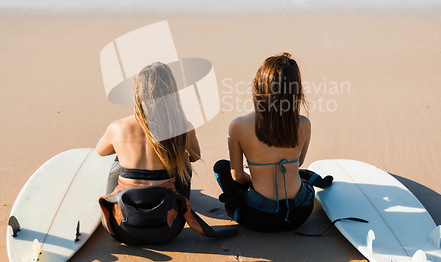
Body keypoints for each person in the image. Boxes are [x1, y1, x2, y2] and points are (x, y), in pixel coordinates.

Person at [97, 61, 237, 244]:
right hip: (168, 228)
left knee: (117, 157)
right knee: (184, 160)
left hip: (122, 228)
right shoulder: (182, 127)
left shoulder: (118, 127)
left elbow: (100, 151)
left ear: (137, 94)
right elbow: (195, 157)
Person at [213, 53, 332, 233]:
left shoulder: (238, 126)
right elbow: (298, 163)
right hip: (300, 214)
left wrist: (254, 175)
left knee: (221, 167)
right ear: (296, 91)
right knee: (298, 173)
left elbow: (237, 176)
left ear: (258, 87)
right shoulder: (304, 124)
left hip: (259, 218)